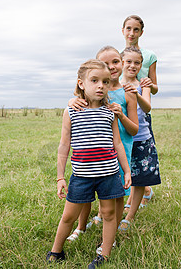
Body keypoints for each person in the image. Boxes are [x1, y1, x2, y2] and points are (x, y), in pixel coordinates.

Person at [46, 59, 132, 268]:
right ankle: (56, 251)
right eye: (94, 80)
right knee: (69, 216)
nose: (101, 85)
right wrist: (60, 177)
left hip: (109, 175)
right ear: (81, 83)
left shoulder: (110, 112)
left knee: (109, 214)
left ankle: (105, 254)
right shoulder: (71, 112)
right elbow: (64, 146)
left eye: (105, 81)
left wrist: (127, 171)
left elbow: (118, 144)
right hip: (81, 176)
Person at [67, 47, 138, 246]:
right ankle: (81, 226)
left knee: (117, 196)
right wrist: (73, 100)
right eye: (105, 64)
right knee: (86, 192)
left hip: (121, 147)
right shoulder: (93, 89)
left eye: (115, 61)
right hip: (95, 151)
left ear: (122, 63)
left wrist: (121, 114)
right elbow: (80, 103)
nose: (111, 67)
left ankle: (110, 236)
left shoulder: (128, 92)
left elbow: (134, 129)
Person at [118, 46, 161, 230]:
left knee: (139, 180)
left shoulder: (143, 84)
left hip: (142, 139)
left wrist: (136, 92)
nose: (132, 65)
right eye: (128, 62)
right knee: (120, 177)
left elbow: (147, 108)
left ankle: (129, 217)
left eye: (137, 63)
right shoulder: (115, 84)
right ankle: (110, 213)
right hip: (122, 140)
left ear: (141, 65)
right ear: (121, 63)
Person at [122, 15, 158, 208]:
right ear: (123, 30)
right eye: (128, 29)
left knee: (139, 155)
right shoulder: (119, 55)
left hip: (141, 105)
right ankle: (140, 191)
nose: (132, 33)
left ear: (141, 33)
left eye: (136, 30)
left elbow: (155, 86)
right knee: (127, 156)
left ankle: (137, 197)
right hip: (124, 110)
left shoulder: (149, 56)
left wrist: (145, 87)